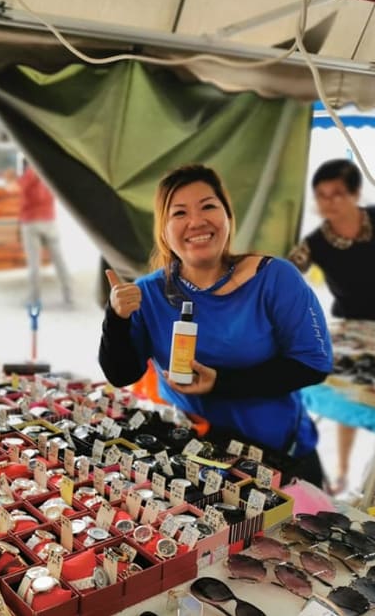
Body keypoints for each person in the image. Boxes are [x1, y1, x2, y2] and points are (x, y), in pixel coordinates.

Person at [98, 164, 333, 487]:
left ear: (227, 216)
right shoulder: (150, 293)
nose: (196, 221)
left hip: (277, 458)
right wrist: (116, 318)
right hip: (191, 458)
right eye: (179, 213)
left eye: (208, 206)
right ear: (163, 230)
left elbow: (313, 363)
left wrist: (221, 384)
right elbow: (122, 373)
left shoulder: (275, 278)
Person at [288, 158, 375, 495]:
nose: (329, 202)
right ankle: (343, 471)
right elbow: (286, 274)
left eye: (337, 194)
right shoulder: (316, 241)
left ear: (355, 194)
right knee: (349, 394)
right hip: (351, 327)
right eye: (322, 195)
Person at [5, 161, 72, 307]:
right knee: (59, 260)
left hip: (31, 222)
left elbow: (13, 188)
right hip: (49, 221)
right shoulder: (49, 170)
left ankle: (34, 298)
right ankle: (68, 295)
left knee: (34, 263)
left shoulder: (31, 172)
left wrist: (9, 179)